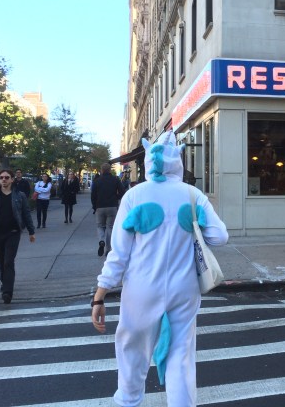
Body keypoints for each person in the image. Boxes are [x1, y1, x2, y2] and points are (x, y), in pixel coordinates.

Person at [91, 131, 228, 406]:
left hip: (141, 289)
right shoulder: (193, 195)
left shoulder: (134, 196)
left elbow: (119, 254)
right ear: (178, 160)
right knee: (182, 355)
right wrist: (193, 226)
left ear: (148, 162)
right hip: (184, 288)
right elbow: (219, 236)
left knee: (132, 351)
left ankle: (129, 400)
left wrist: (100, 296)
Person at [0, 169, 36, 304]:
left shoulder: (19, 196)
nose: (3, 179)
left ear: (12, 180)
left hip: (13, 233)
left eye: (6, 177)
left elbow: (26, 214)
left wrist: (31, 231)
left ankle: (7, 292)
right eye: (1, 177)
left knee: (8, 261)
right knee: (1, 261)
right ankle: (4, 281)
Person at [91, 164, 125, 257]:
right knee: (110, 227)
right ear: (110, 170)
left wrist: (94, 207)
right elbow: (122, 192)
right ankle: (108, 249)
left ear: (101, 170)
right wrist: (116, 198)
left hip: (100, 206)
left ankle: (101, 240)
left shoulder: (97, 181)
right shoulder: (115, 180)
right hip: (112, 206)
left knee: (100, 226)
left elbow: (93, 195)